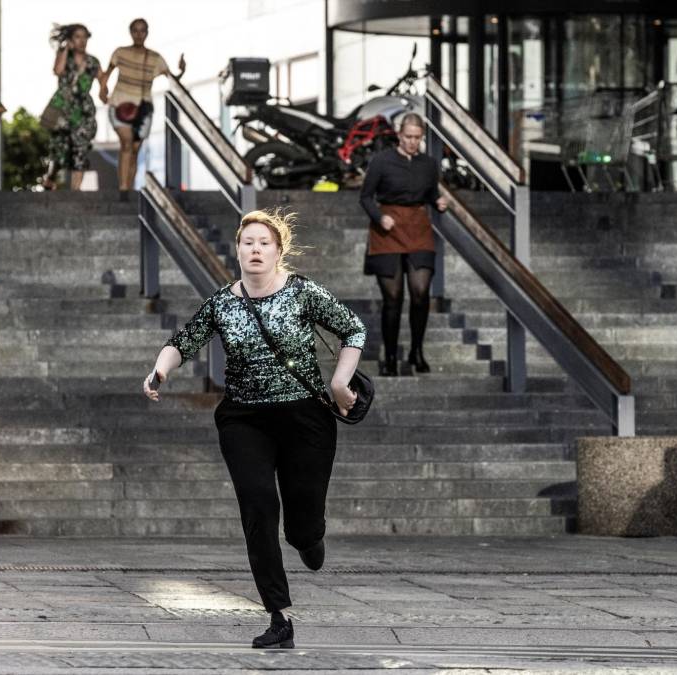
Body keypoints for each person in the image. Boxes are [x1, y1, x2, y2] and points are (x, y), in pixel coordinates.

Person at [143, 209, 365, 649]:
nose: (256, 249)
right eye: (248, 242)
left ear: (279, 251)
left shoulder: (303, 293)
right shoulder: (223, 303)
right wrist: (158, 372)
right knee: (259, 505)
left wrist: (339, 382)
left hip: (305, 418)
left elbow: (352, 328)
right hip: (245, 419)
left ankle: (310, 536)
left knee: (300, 526)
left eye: (264, 243)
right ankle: (278, 614)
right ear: (238, 250)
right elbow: (184, 341)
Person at [358, 112, 448, 376]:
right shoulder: (382, 161)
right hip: (388, 228)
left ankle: (417, 351)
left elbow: (431, 194)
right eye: (408, 137)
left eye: (417, 138)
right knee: (393, 298)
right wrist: (379, 216)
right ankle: (391, 356)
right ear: (399, 134)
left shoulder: (429, 164)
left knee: (420, 293)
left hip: (418, 227)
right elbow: (365, 197)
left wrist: (438, 203)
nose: (412, 142)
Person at [99, 18, 186, 201]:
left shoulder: (155, 58)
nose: (139, 34)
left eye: (143, 31)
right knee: (127, 144)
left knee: (135, 151)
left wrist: (181, 71)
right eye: (136, 31)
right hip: (119, 105)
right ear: (130, 32)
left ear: (147, 33)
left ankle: (128, 187)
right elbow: (107, 74)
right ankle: (123, 190)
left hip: (143, 109)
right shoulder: (120, 53)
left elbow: (172, 78)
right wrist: (102, 90)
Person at [42, 24, 105, 191]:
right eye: (77, 36)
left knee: (81, 149)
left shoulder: (93, 62)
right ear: (70, 39)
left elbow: (102, 82)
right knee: (60, 150)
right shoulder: (64, 56)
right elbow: (58, 70)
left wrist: (105, 94)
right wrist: (64, 50)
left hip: (83, 110)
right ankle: (50, 177)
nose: (82, 41)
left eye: (85, 37)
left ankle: (75, 193)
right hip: (64, 107)